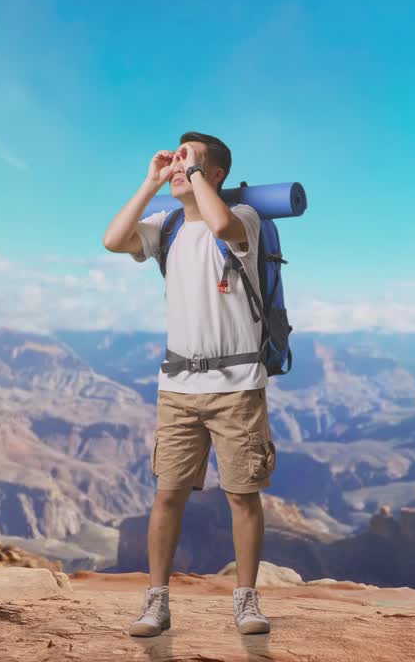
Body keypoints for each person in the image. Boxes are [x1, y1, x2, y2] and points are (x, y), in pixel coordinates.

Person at [102, 131, 275, 637]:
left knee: (242, 495)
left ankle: (246, 601)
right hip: (178, 387)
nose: (178, 166)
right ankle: (156, 603)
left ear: (214, 174)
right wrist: (151, 181)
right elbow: (113, 240)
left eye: (189, 160)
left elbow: (220, 223)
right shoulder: (168, 225)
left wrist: (195, 170)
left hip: (237, 386)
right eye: (177, 159)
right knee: (167, 496)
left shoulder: (244, 218)